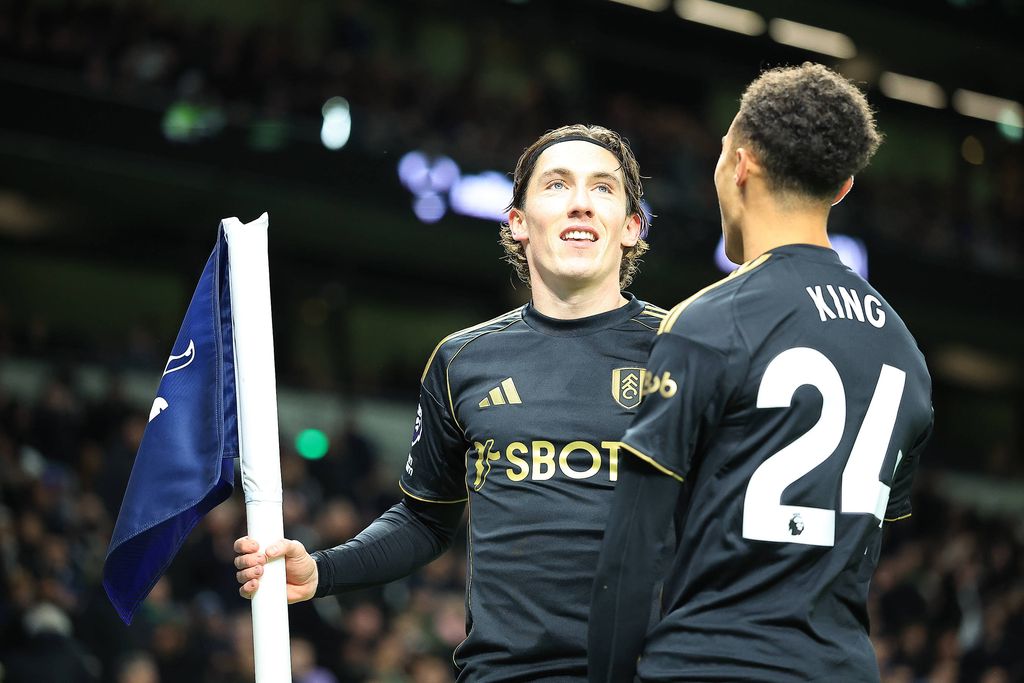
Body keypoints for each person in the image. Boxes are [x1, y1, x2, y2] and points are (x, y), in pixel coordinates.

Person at [233, 123, 668, 681]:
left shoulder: (686, 350)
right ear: (517, 223)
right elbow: (424, 521)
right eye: (557, 184)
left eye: (603, 188)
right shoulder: (462, 361)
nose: (581, 202)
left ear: (632, 226)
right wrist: (322, 570)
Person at [588, 63, 934, 683]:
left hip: (710, 663)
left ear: (740, 165)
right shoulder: (906, 353)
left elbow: (633, 549)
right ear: (843, 186)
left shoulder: (708, 321)